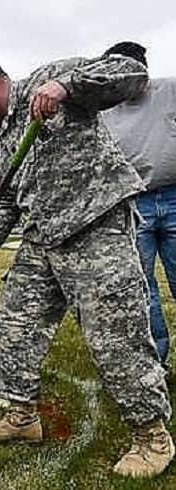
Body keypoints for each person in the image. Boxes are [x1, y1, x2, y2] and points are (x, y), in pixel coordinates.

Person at [0, 50, 173, 478]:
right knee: (15, 325)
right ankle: (21, 417)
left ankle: (152, 436)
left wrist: (69, 87)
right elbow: (5, 202)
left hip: (95, 223)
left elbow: (130, 71)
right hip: (42, 237)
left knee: (115, 334)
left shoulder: (50, 78)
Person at [101, 41, 176, 369]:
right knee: (142, 289)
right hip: (134, 204)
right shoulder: (104, 110)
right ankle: (154, 364)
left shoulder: (170, 91)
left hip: (175, 196)